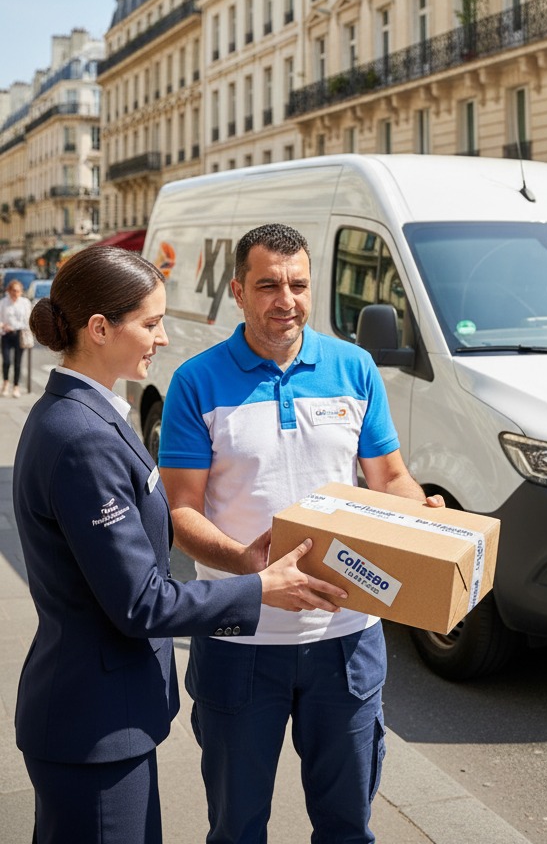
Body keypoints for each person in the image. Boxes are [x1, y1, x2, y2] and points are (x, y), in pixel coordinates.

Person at [13, 242, 346, 844]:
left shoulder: (89, 413)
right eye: (150, 323)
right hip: (94, 721)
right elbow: (142, 603)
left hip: (100, 715)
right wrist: (260, 587)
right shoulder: (82, 435)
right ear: (98, 328)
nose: (162, 338)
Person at [159, 223, 444, 844]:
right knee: (237, 829)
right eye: (267, 285)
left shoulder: (354, 367)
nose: (285, 299)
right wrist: (247, 567)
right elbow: (181, 513)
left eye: (298, 284)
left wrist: (426, 518)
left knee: (347, 828)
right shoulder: (196, 381)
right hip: (238, 640)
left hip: (346, 640)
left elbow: (389, 477)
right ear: (237, 289)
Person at [0, 275, 32, 397]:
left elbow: (29, 319)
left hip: (20, 334)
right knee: (7, 361)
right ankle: (6, 383)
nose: (16, 293)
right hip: (7, 335)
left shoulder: (25, 303)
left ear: (21, 291)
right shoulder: (3, 302)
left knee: (18, 362)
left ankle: (16, 386)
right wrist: (3, 326)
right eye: (13, 290)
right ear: (9, 290)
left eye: (18, 291)